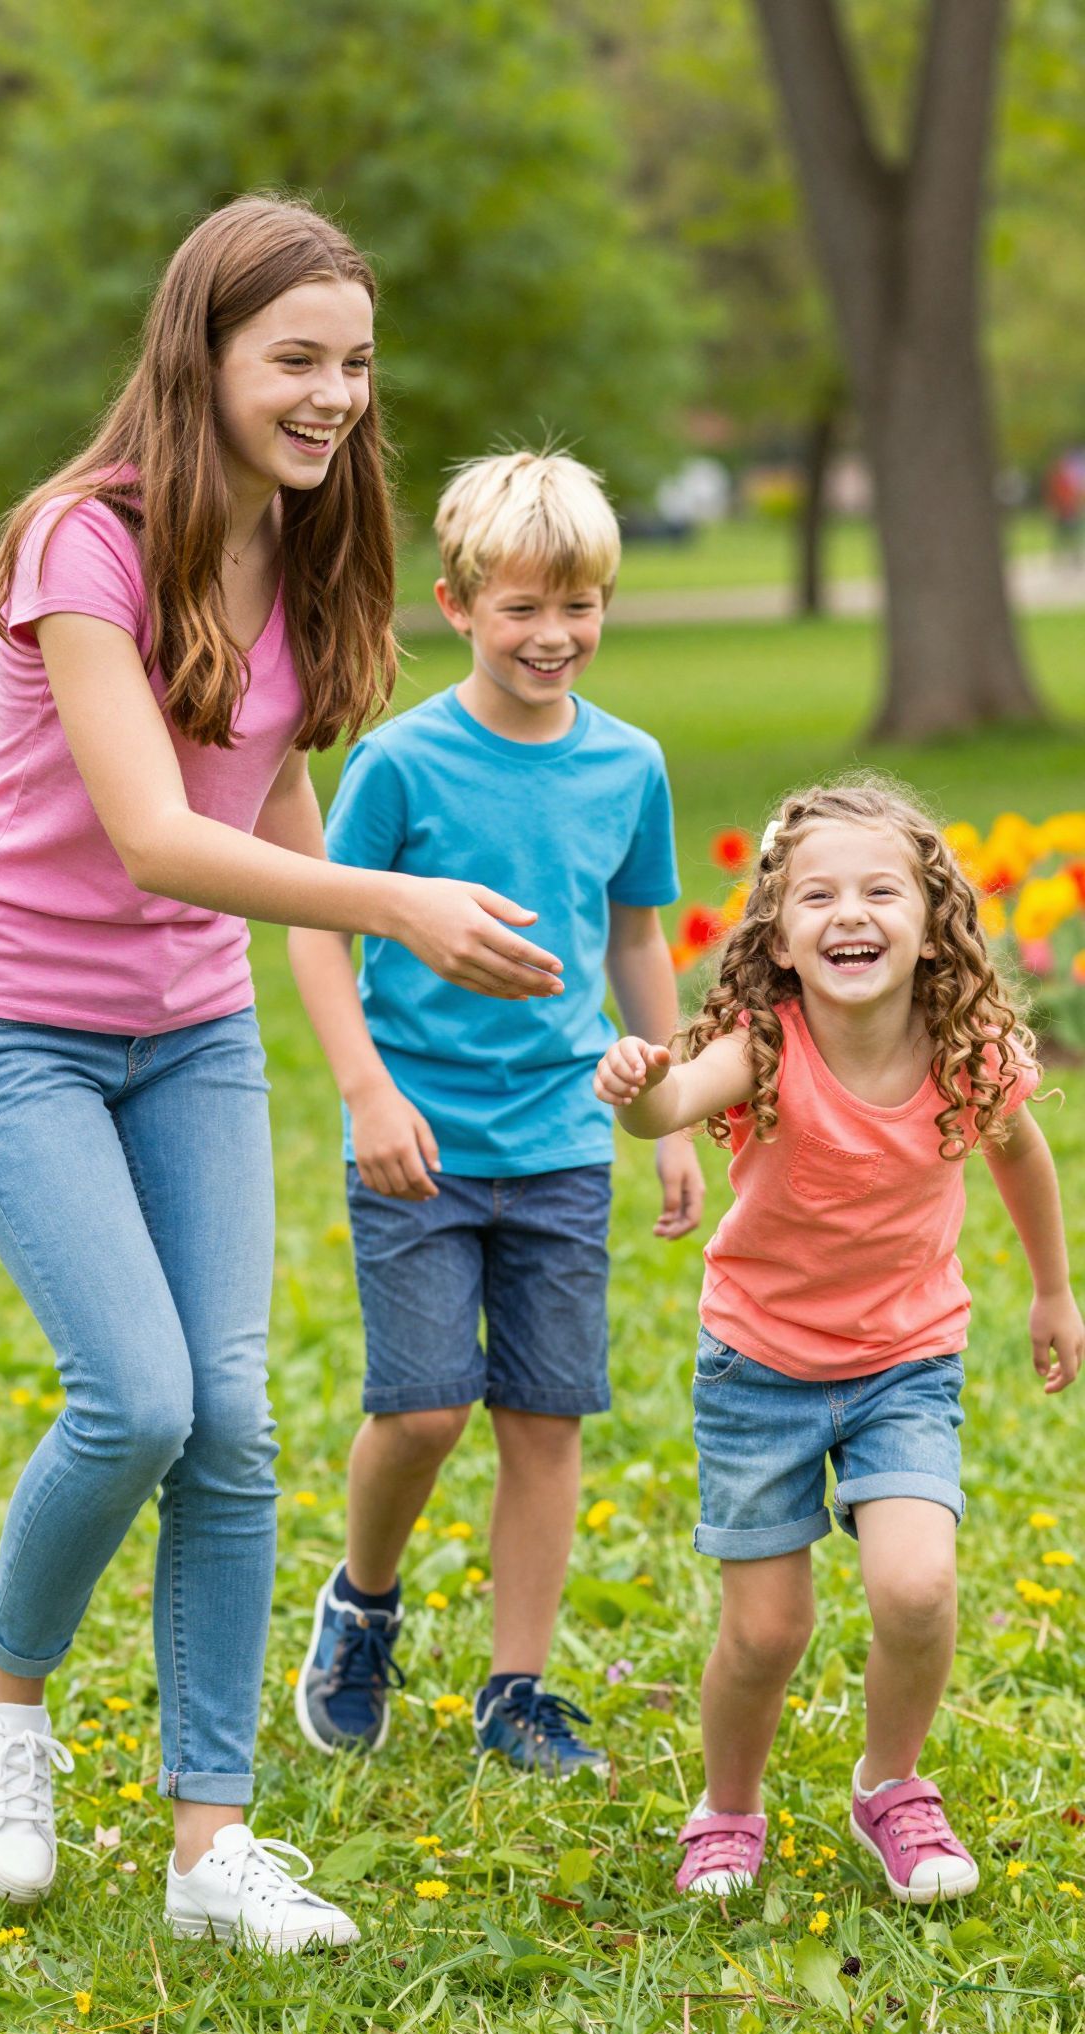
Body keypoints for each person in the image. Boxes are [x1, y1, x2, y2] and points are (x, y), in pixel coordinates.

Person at [0, 196, 566, 1953]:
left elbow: (259, 774)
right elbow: (151, 831)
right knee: (133, 1395)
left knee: (231, 1421)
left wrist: (364, 1023)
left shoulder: (297, 543)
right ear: (199, 352)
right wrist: (398, 899)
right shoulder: (86, 541)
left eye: (355, 364)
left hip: (191, 1032)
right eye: (296, 360)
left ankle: (213, 1841)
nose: (334, 397)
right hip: (15, 1023)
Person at [290, 449, 703, 1777]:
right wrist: (367, 1093)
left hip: (566, 1141)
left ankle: (515, 1689)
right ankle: (361, 1605)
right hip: (420, 1138)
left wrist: (677, 1105)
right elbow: (314, 933)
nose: (554, 634)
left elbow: (636, 940)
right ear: (456, 605)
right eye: (521, 607)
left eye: (578, 605)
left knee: (545, 1417)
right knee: (421, 1410)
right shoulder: (402, 765)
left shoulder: (628, 764)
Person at [594, 780, 1082, 1904]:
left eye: (878, 890)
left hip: (906, 1361)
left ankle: (890, 1784)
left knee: (915, 1588)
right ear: (778, 929)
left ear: (932, 919)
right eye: (816, 893)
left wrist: (1052, 1290)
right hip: (758, 1366)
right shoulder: (764, 1046)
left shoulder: (965, 1050)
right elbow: (670, 1110)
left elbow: (1021, 1155)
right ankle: (726, 1807)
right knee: (767, 1632)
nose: (848, 913)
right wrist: (640, 1085)